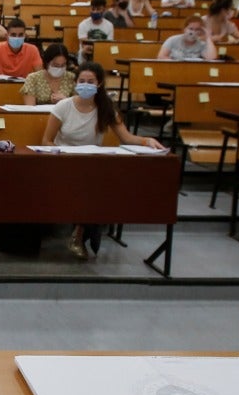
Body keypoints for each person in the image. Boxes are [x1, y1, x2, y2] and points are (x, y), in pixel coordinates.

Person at [40, 64, 163, 259]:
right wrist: (59, 155)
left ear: (99, 84)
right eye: (82, 81)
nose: (86, 85)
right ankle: (81, 234)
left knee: (101, 184)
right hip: (64, 162)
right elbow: (46, 141)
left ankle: (79, 235)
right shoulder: (63, 107)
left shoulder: (105, 108)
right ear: (75, 83)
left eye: (91, 82)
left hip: (91, 164)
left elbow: (126, 138)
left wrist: (147, 140)